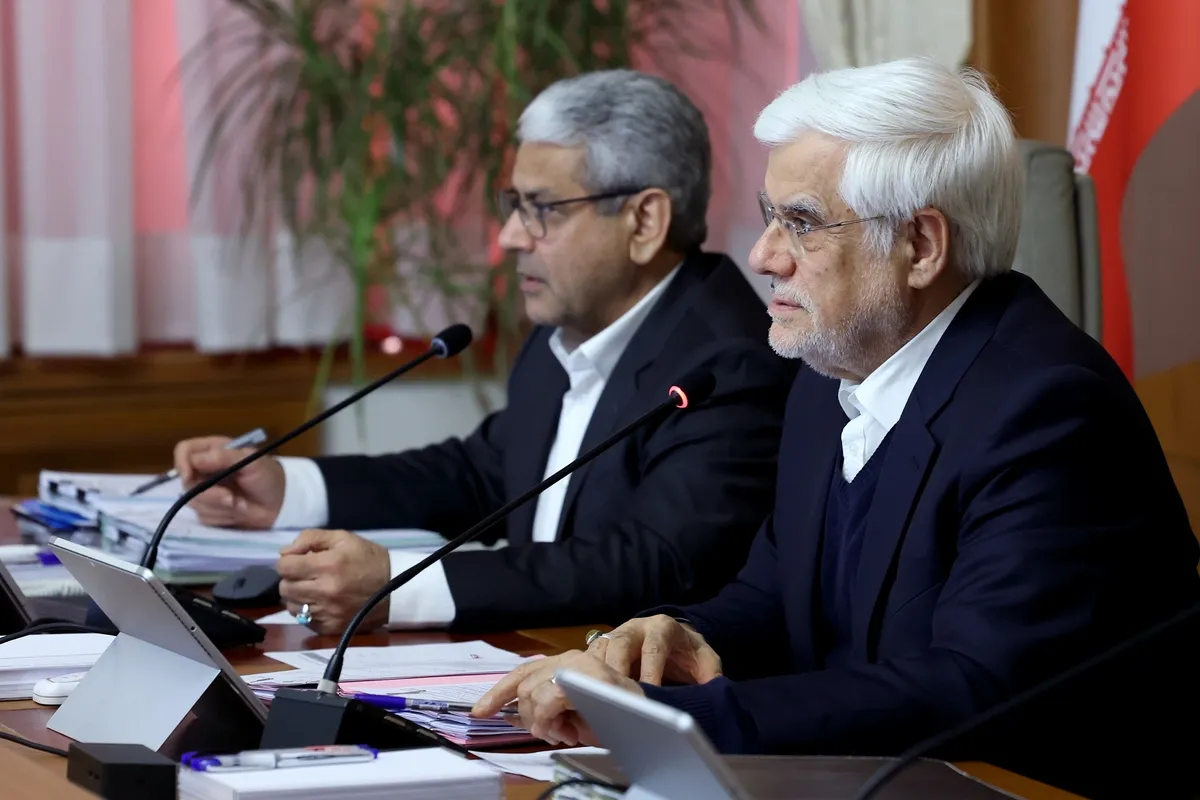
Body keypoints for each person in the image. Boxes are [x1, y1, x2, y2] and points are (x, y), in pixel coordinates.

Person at [473, 59, 1200, 798]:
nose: (763, 256)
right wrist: (674, 635)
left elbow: (974, 686)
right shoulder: (832, 374)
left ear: (921, 245)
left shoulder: (1048, 409)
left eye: (802, 223)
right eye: (769, 216)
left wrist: (682, 719)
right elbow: (773, 595)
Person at [172, 70, 797, 635]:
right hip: (531, 664)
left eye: (542, 209)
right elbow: (481, 474)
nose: (510, 235)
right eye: (514, 205)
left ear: (643, 222)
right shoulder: (567, 330)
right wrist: (286, 488)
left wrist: (399, 587)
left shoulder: (729, 364)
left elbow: (654, 563)